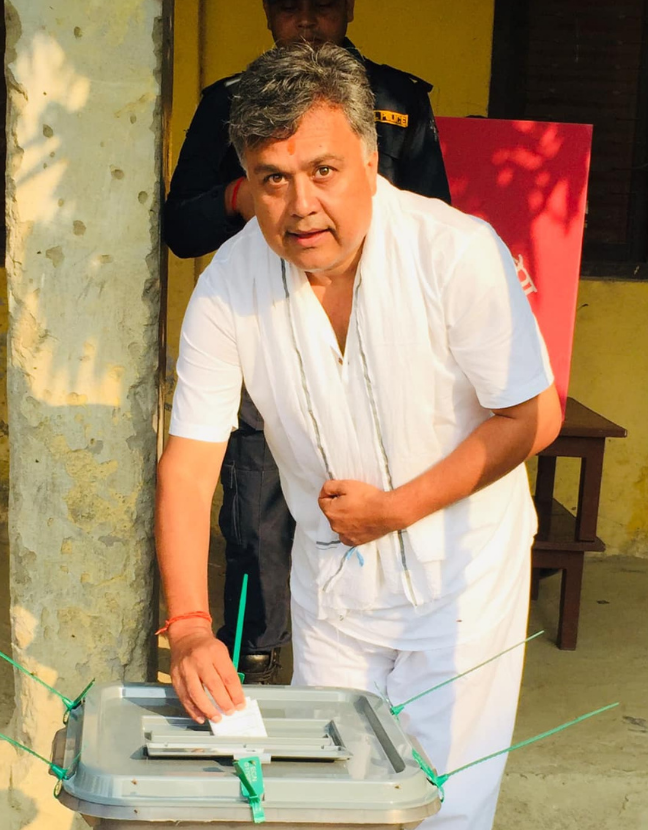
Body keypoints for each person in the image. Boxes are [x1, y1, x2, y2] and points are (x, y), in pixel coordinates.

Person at [156, 44, 562, 829]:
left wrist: (400, 507)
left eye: (323, 171)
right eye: (272, 179)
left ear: (371, 159)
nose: (300, 205)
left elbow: (531, 417)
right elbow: (190, 462)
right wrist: (190, 627)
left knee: (441, 803)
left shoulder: (454, 253)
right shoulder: (227, 287)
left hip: (462, 577)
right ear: (246, 180)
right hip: (335, 582)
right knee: (330, 796)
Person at [163, 0, 450, 684]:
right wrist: (249, 194)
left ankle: (387, 652)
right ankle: (250, 652)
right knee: (255, 506)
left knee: (375, 494)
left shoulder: (395, 100)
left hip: (379, 334)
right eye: (290, 6)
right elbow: (181, 227)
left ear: (347, 10)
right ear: (267, 14)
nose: (307, 21)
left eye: (322, 5)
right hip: (265, 321)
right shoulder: (229, 104)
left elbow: (437, 212)